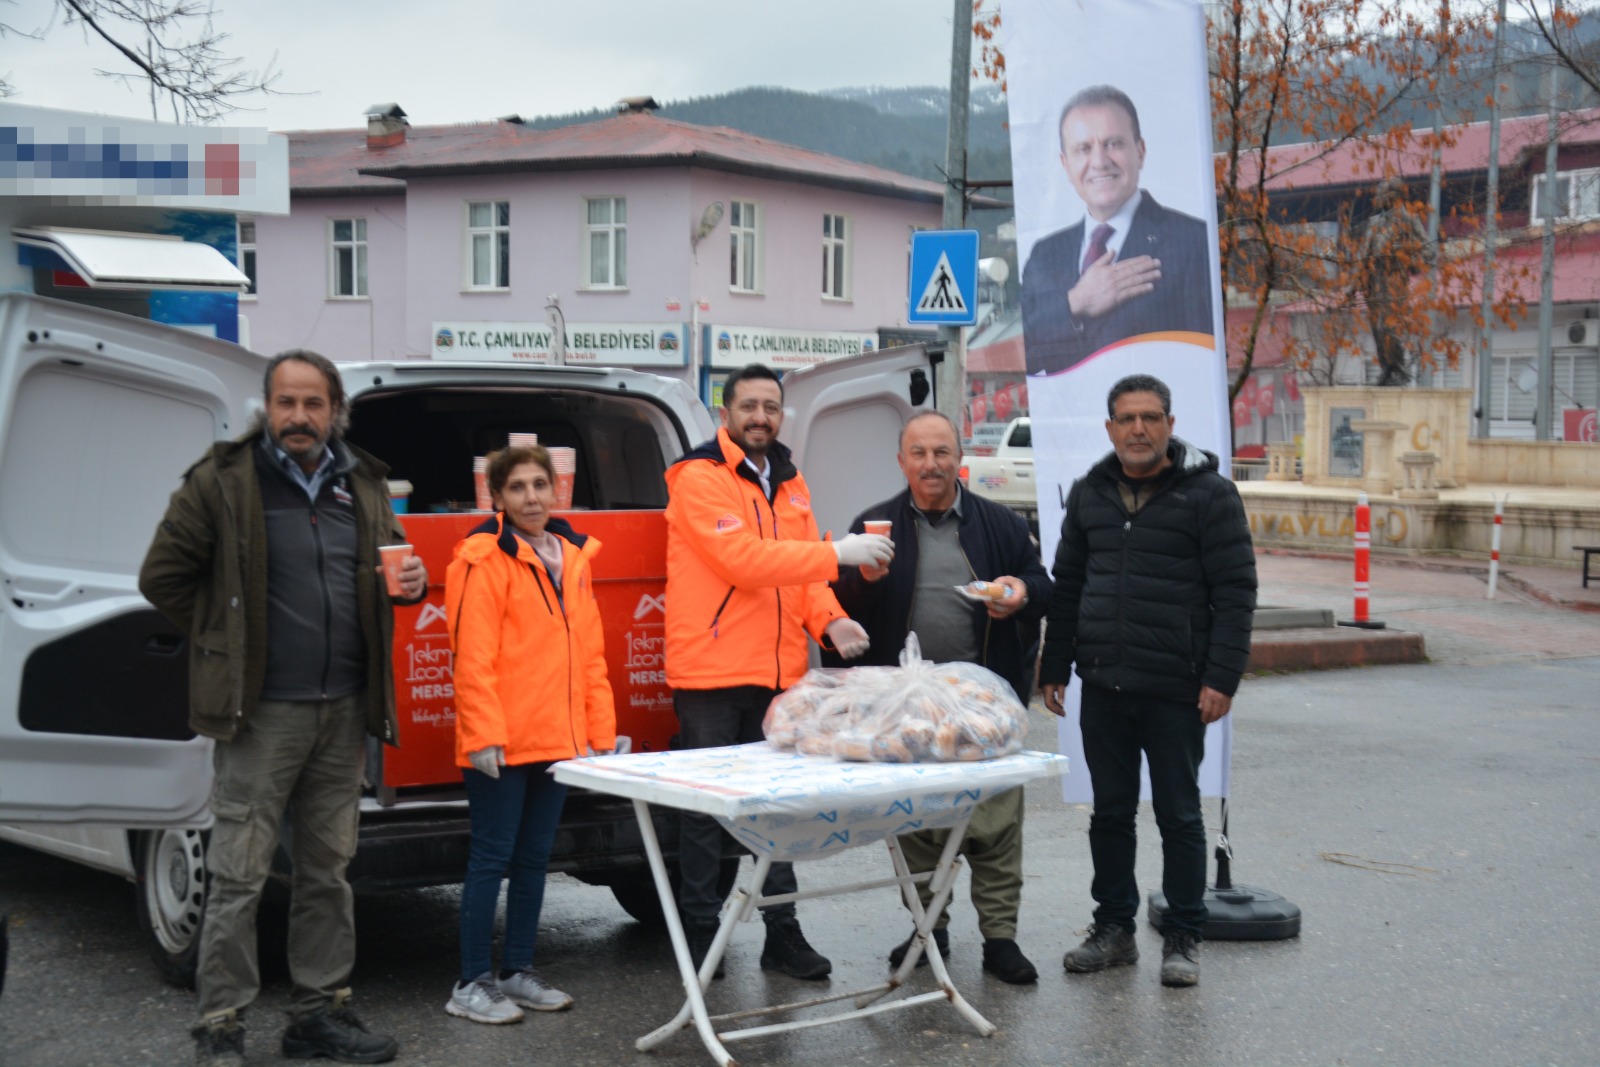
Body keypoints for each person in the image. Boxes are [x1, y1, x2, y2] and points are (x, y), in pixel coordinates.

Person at [139, 349, 428, 1065]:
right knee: (239, 874)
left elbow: (393, 563)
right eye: (286, 402)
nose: (299, 416)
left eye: (313, 403)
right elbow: (162, 576)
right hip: (261, 715)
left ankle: (317, 1015)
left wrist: (412, 582)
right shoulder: (223, 479)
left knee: (327, 873)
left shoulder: (362, 481)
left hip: (344, 709)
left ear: (336, 411)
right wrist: (224, 641)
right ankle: (220, 1025)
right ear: (267, 407)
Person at [664, 362, 890, 981]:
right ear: (726, 414)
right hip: (711, 673)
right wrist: (836, 552)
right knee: (705, 814)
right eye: (749, 406)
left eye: (770, 407)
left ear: (780, 415)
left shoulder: (789, 481)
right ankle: (699, 937)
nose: (760, 417)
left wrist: (831, 620)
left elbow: (802, 574)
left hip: (778, 674)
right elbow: (742, 560)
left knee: (777, 811)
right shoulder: (697, 477)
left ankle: (781, 934)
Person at [1039, 373, 1256, 988]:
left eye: (1151, 417)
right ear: (1110, 428)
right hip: (1104, 685)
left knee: (1179, 815)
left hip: (1176, 688)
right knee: (1109, 814)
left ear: (1170, 424)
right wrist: (1055, 666)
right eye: (1127, 419)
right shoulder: (1089, 493)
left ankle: (1184, 934)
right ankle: (1114, 929)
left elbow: (1236, 592)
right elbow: (1068, 587)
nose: (1139, 429)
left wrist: (1222, 676)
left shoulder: (1209, 495)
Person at [829, 411, 1051, 985]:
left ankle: (1001, 939)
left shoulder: (999, 523)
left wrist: (1019, 592)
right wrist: (861, 581)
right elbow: (837, 606)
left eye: (942, 452)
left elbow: (1040, 583)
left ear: (960, 458)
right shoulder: (872, 526)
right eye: (919, 453)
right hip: (905, 708)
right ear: (902, 461)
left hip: (983, 703)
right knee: (916, 824)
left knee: (995, 823)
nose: (931, 464)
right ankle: (929, 928)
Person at [443, 445, 616, 1025]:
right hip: (501, 739)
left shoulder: (572, 556)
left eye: (540, 485)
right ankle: (470, 982)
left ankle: (516, 970)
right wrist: (482, 734)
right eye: (517, 487)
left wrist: (599, 730)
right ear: (496, 497)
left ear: (555, 490)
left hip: (556, 736)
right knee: (491, 857)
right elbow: (472, 656)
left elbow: (590, 654)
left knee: (535, 858)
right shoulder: (481, 558)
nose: (532, 497)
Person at [1020, 85, 1215, 376]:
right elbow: (1025, 357)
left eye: (1113, 143)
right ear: (1065, 164)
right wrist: (1076, 302)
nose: (1099, 162)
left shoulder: (1194, 241)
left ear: (1140, 152)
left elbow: (1205, 364)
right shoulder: (1044, 255)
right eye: (1083, 149)